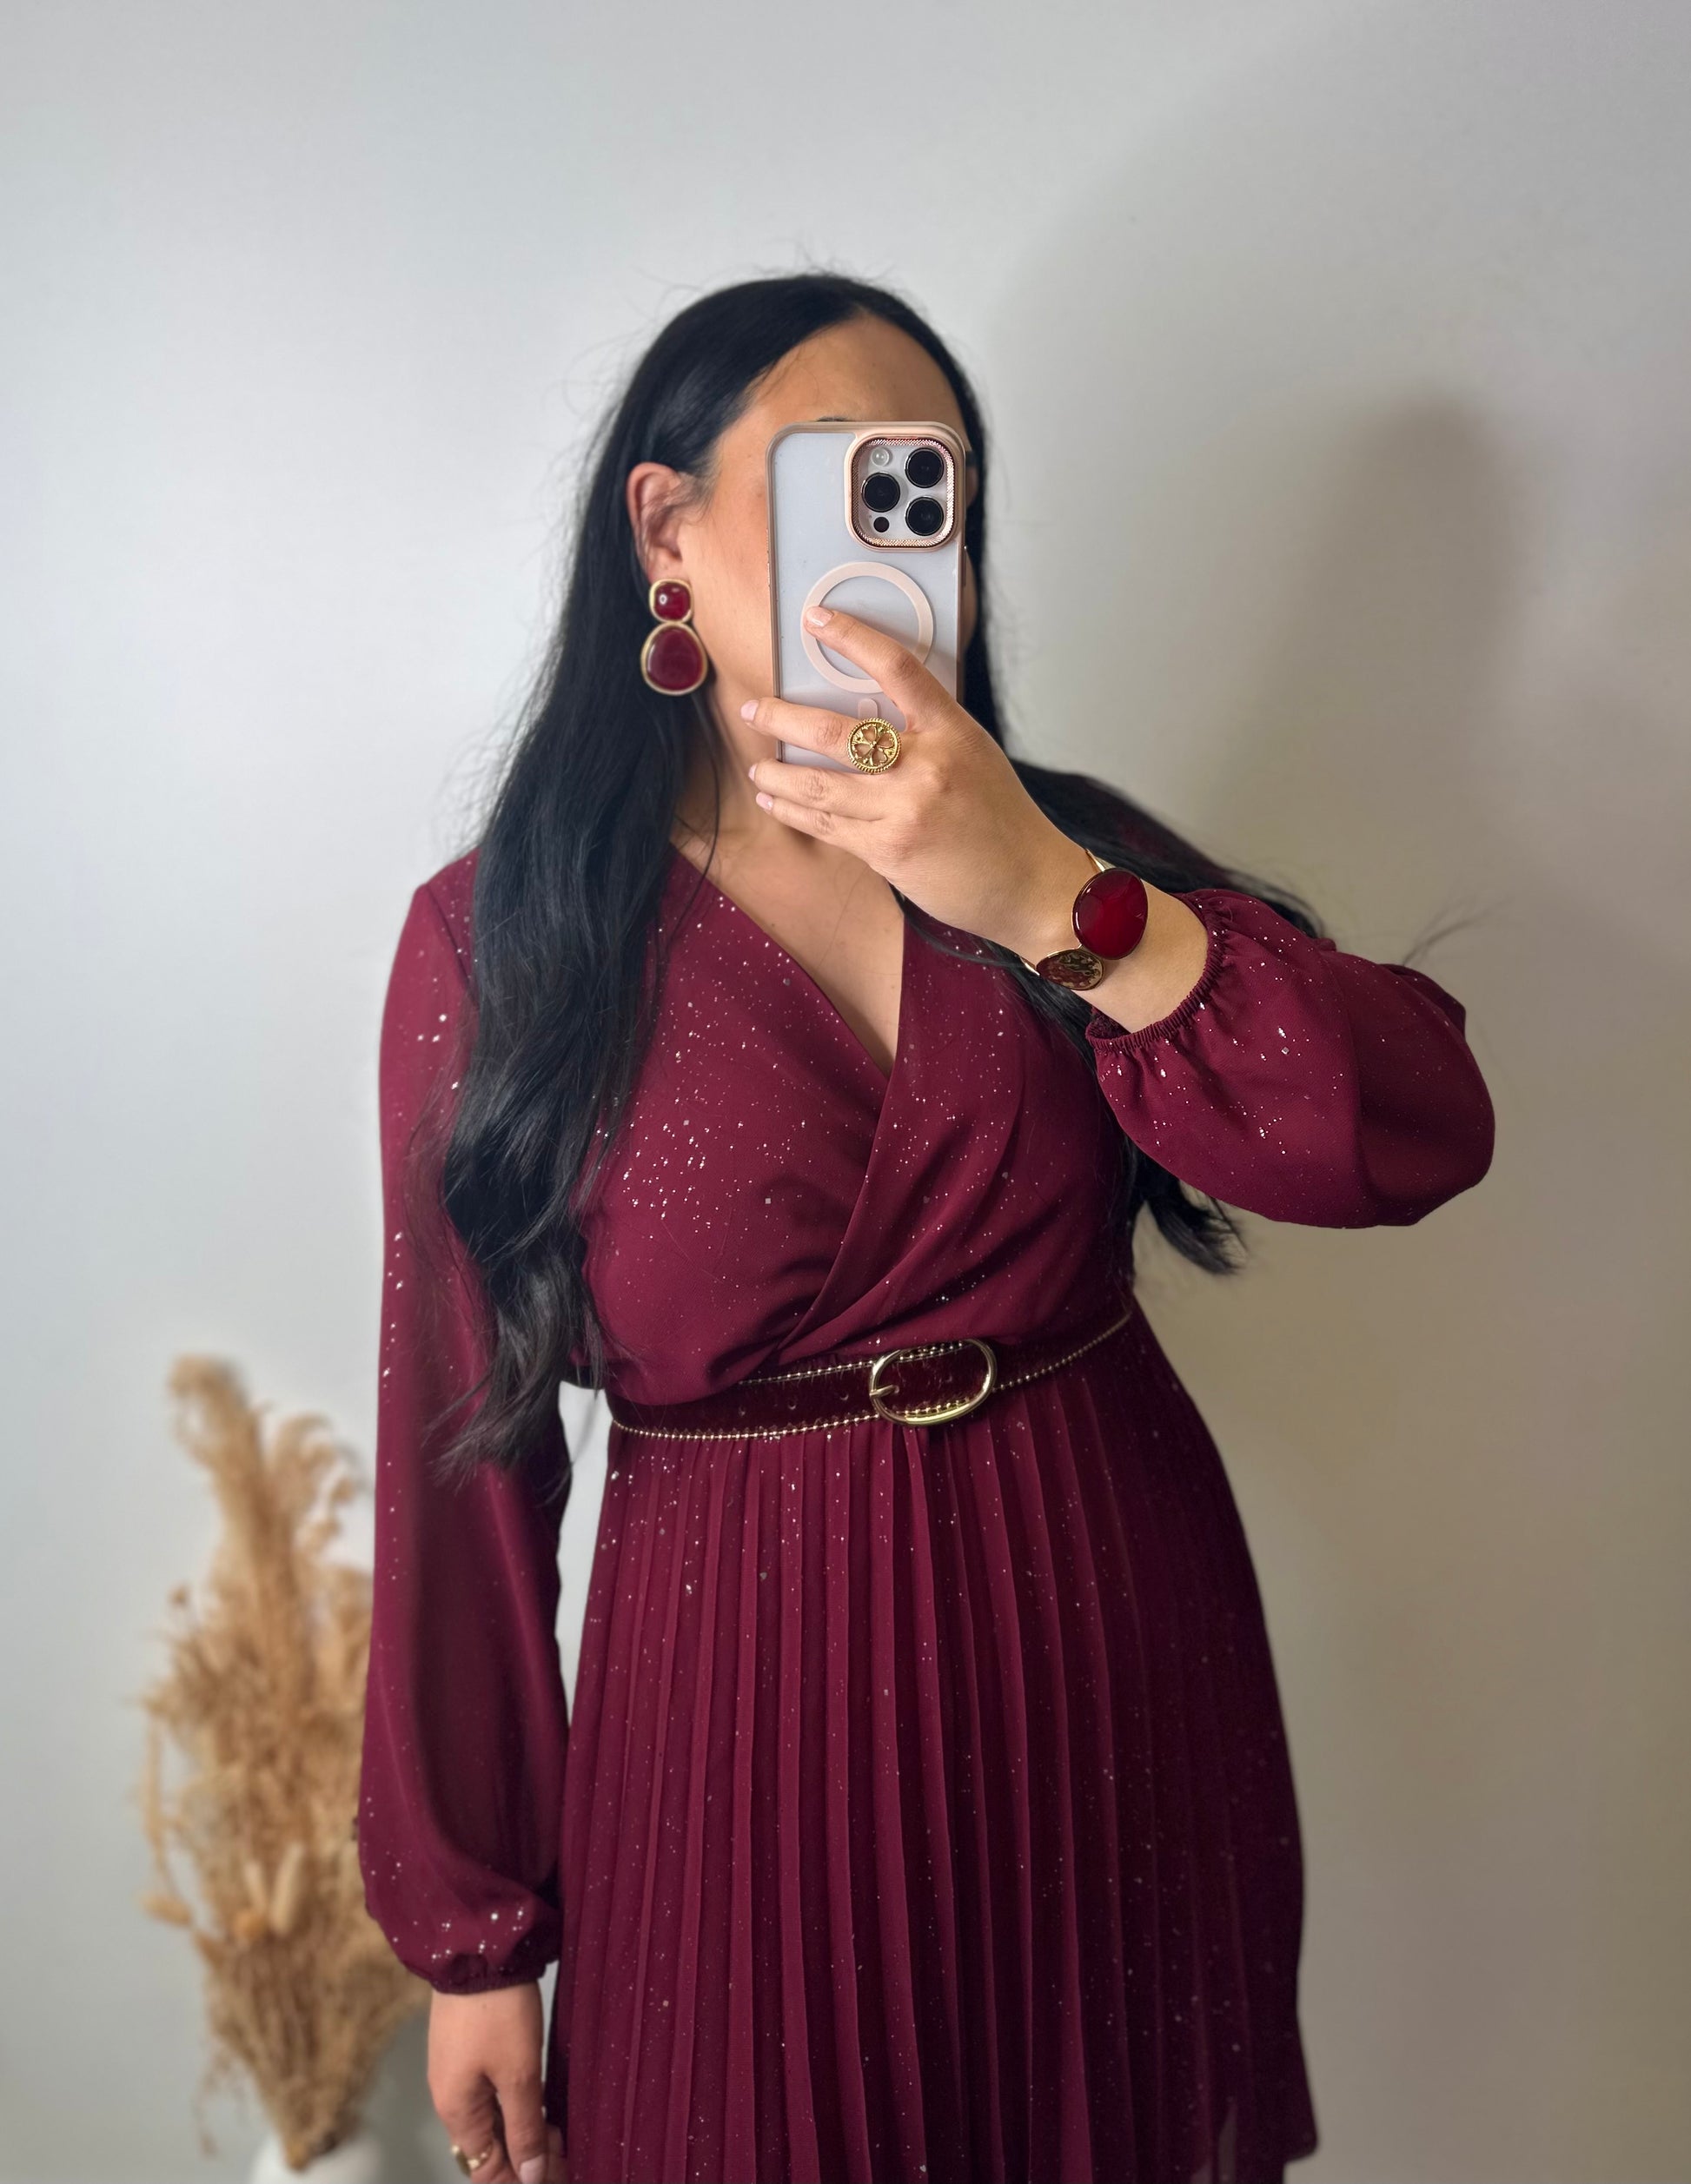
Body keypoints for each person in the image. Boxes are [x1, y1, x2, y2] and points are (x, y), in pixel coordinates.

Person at [355, 273, 1495, 2184]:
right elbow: (460, 1451)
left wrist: (1048, 895)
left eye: (929, 491)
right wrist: (477, 1937)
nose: (898, 537)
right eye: (840, 480)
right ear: (662, 530)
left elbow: (1412, 1129)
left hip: (1105, 1651)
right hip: (736, 1713)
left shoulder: (1068, 858)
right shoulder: (503, 944)